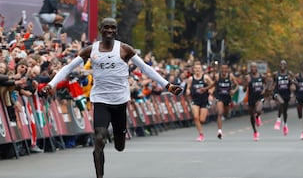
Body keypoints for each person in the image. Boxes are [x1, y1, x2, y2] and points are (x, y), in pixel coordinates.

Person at [43, 17, 182, 178]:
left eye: (113, 28)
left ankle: (117, 134)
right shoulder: (91, 50)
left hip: (120, 102)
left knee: (119, 146)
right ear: (101, 29)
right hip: (100, 100)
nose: (109, 30)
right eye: (106, 27)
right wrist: (51, 85)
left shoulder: (125, 49)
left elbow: (145, 68)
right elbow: (67, 68)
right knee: (99, 139)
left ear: (116, 31)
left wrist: (168, 86)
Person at [185, 60, 214, 142]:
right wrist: (188, 91)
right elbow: (188, 87)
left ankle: (201, 131)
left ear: (201, 69)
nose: (197, 70)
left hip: (204, 100)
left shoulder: (205, 77)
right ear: (193, 69)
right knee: (195, 117)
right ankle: (201, 134)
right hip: (195, 99)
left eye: (199, 68)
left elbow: (212, 85)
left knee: (202, 120)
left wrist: (211, 93)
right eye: (196, 68)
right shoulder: (191, 79)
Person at [213, 63, 239, 139]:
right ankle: (219, 131)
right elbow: (213, 84)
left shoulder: (230, 76)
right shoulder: (217, 76)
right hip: (219, 96)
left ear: (227, 69)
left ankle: (226, 114)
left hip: (227, 97)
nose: (224, 70)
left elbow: (237, 85)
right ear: (220, 69)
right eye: (222, 69)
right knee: (220, 113)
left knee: (226, 114)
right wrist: (208, 90)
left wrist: (234, 91)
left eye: (225, 69)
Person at [272, 60, 295, 135]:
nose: (282, 65)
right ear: (279, 65)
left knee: (285, 112)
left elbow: (294, 83)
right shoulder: (275, 74)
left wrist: (290, 80)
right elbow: (273, 83)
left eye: (284, 64)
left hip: (286, 94)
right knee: (281, 102)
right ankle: (278, 120)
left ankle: (285, 125)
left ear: (286, 66)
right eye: (281, 64)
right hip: (277, 92)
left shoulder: (289, 73)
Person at [245, 62, 266, 141]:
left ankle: (258, 116)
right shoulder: (248, 77)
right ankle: (255, 132)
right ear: (250, 68)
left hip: (259, 97)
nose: (253, 69)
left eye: (255, 67)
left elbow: (266, 84)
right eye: (252, 67)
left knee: (258, 110)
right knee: (251, 116)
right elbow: (244, 88)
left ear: (257, 68)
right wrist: (247, 83)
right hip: (251, 98)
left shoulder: (261, 76)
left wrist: (264, 90)